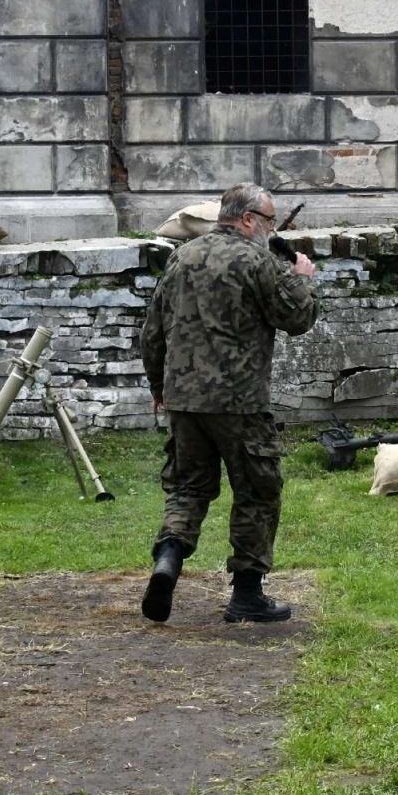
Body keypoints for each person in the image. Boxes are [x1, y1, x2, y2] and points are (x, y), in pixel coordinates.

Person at [139, 183, 318, 625]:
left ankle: (168, 561)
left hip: (184, 400)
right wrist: (302, 280)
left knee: (188, 487)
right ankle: (247, 594)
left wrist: (159, 386)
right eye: (270, 220)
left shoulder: (182, 257)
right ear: (248, 219)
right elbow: (297, 319)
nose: (272, 228)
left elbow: (153, 330)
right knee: (258, 491)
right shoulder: (258, 261)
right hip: (239, 403)